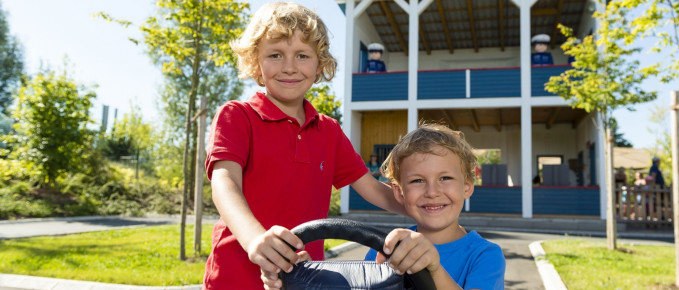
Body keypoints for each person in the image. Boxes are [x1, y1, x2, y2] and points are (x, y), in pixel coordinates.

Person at [205, 3, 406, 289]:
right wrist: (254, 239)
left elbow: (373, 190)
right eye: (275, 55)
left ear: (319, 64)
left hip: (304, 280)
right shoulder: (237, 116)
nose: (289, 67)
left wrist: (422, 205)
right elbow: (224, 184)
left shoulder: (328, 130)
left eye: (302, 56)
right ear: (255, 62)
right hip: (234, 278)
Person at [364, 124, 506, 289]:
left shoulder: (486, 256)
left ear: (466, 187)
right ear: (399, 192)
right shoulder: (383, 250)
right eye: (417, 180)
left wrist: (434, 270)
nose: (432, 192)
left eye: (445, 178)